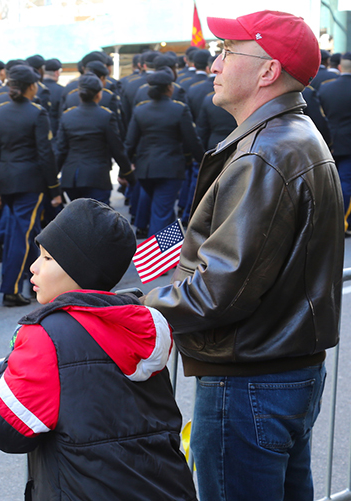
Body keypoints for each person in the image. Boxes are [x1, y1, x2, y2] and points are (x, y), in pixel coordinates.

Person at [142, 11, 343, 500]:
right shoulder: (289, 137)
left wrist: (134, 310)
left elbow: (221, 288)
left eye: (227, 51)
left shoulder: (266, 153)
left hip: (251, 380)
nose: (214, 64)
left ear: (267, 71)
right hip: (279, 370)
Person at [0, 199, 196, 500]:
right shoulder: (142, 325)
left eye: (47, 259)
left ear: (78, 270)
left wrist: (10, 363)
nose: (33, 266)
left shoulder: (46, 337)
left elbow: (7, 429)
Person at [0, 64, 60, 307]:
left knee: (25, 232)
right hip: (29, 181)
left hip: (6, 180)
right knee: (21, 235)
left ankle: (33, 280)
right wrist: (54, 189)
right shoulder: (36, 113)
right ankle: (11, 289)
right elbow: (45, 155)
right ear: (31, 87)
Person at [124, 66, 203, 237]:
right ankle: (156, 262)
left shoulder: (140, 109)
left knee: (164, 210)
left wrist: (125, 169)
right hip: (170, 169)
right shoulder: (179, 109)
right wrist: (202, 161)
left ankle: (171, 256)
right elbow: (192, 141)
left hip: (145, 170)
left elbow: (130, 143)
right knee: (162, 212)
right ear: (169, 88)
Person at [55, 75, 134, 205]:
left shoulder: (67, 116)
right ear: (99, 94)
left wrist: (53, 181)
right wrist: (129, 175)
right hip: (96, 177)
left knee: (80, 218)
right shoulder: (106, 116)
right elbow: (117, 149)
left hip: (71, 178)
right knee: (98, 220)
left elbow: (61, 150)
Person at [317, 53, 351, 232]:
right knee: (345, 182)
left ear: (339, 67)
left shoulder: (326, 88)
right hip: (348, 145)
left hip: (330, 141)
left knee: (330, 182)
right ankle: (341, 222)